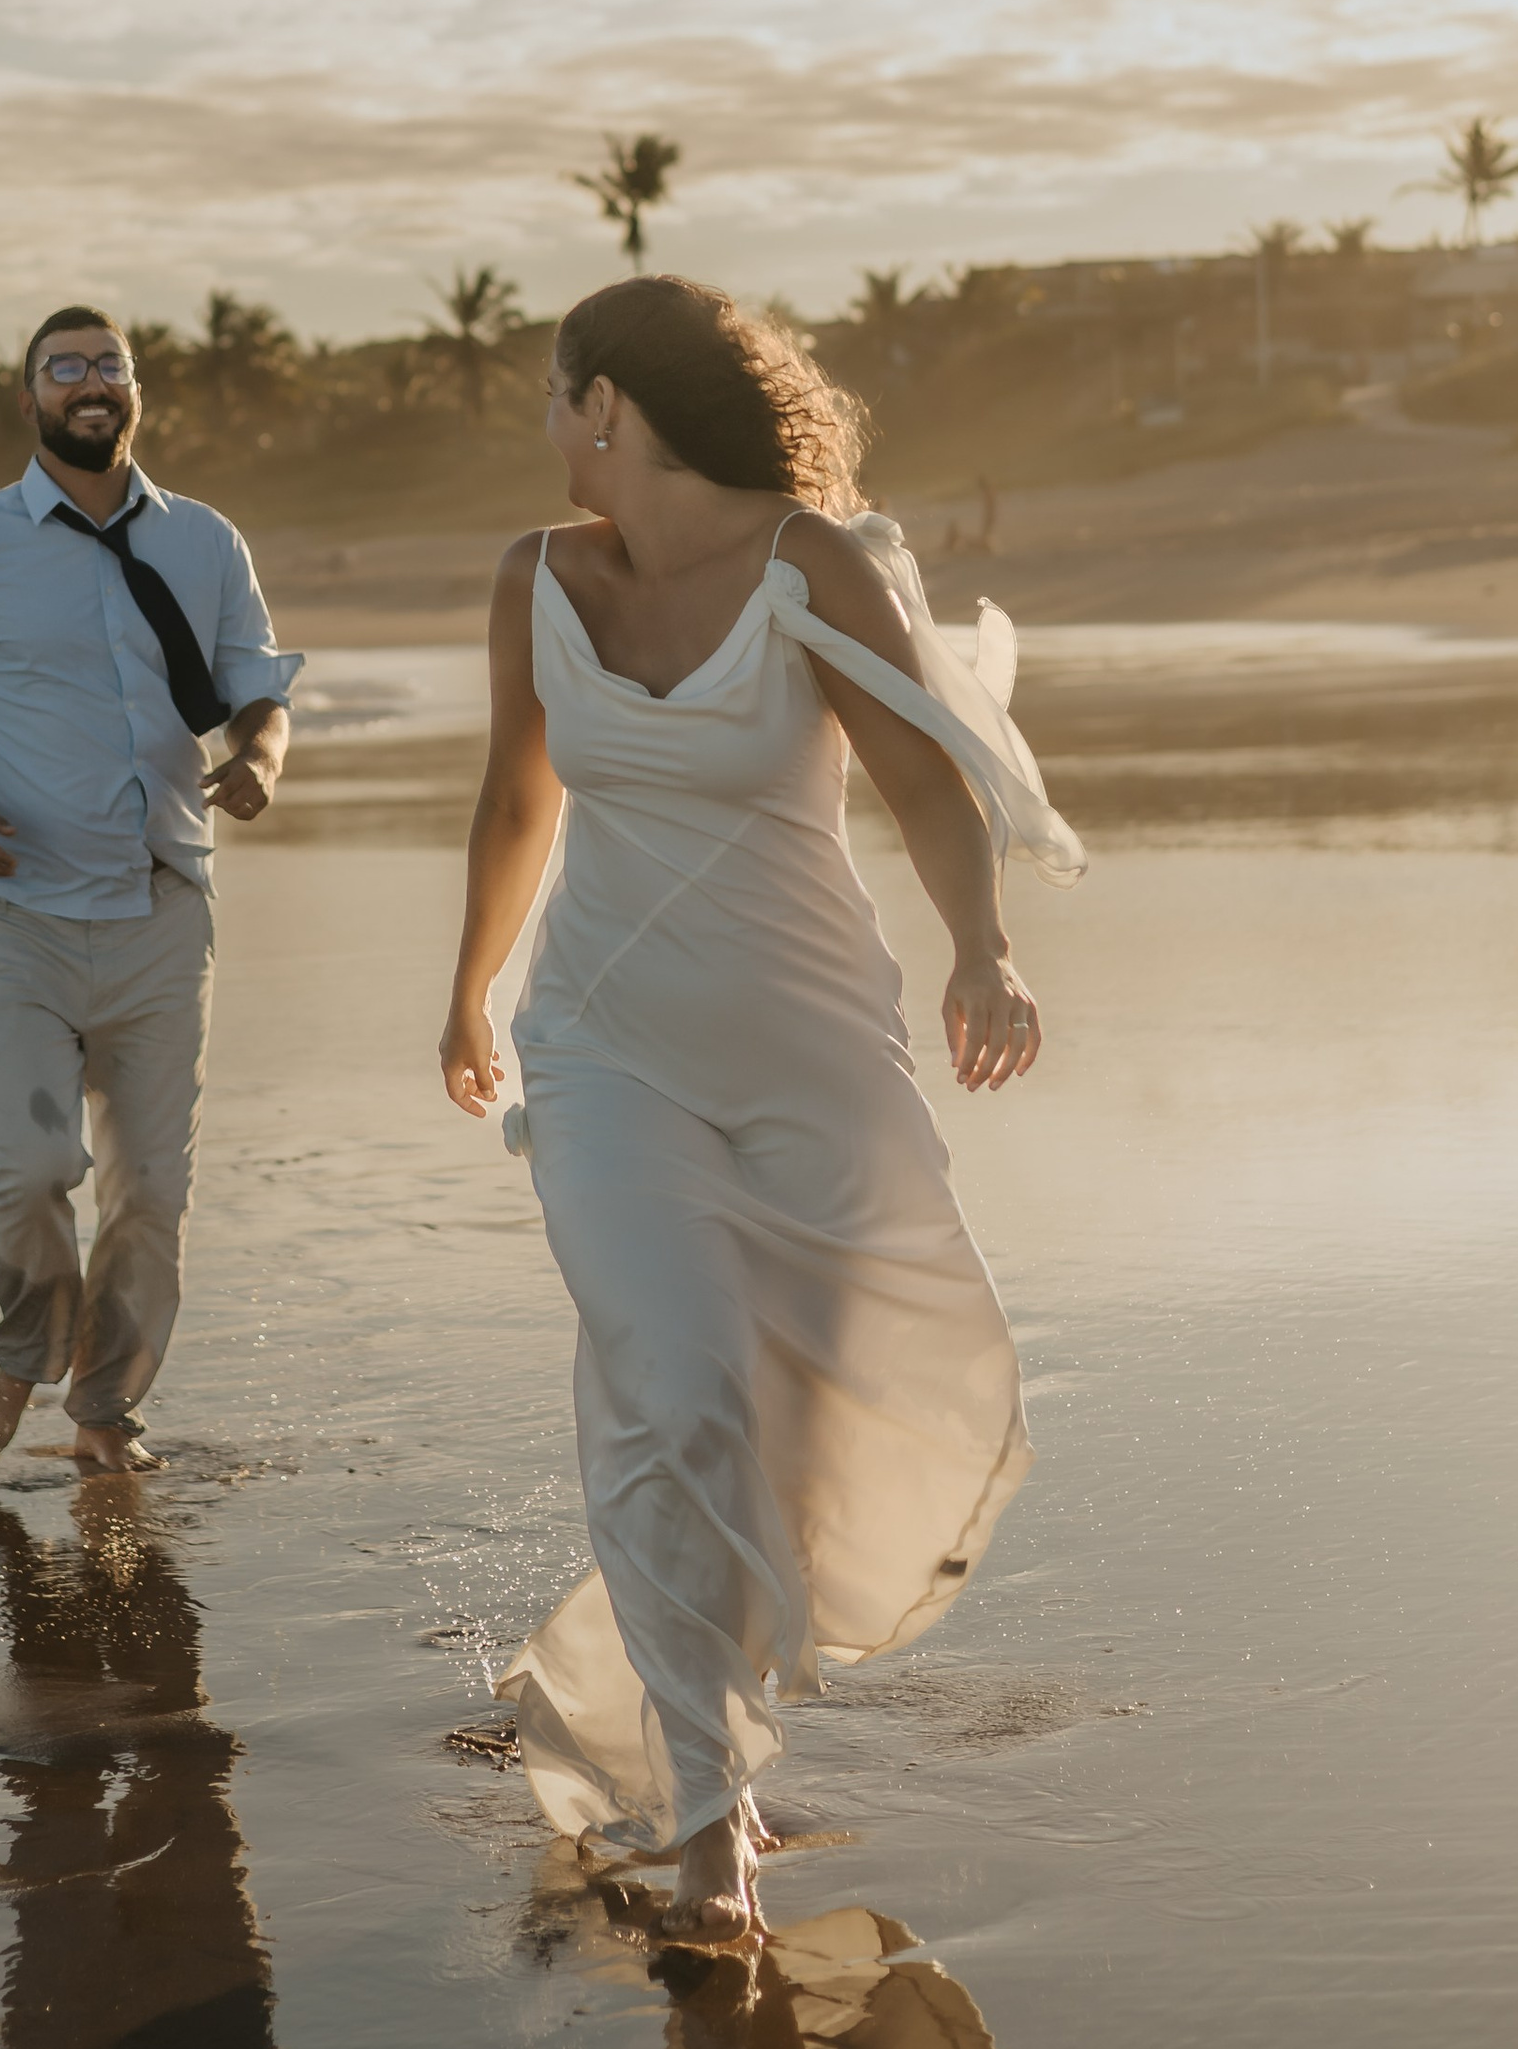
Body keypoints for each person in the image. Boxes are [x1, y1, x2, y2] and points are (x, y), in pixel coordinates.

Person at [438, 277, 1084, 1947]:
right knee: (679, 1390)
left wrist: (984, 952)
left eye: (555, 396)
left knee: (806, 1417)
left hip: (803, 1051)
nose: (546, 429)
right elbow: (519, 791)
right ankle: (715, 1821)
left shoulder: (817, 565)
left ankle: (685, 1695)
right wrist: (471, 993)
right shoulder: (538, 577)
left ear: (609, 410)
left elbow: (925, 777)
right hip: (601, 1052)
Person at [0, 306, 301, 1475]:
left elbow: (259, 689)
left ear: (135, 389)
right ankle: (24, 1353)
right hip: (19, 917)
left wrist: (257, 761)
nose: (89, 383)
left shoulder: (205, 540)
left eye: (109, 365)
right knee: (35, 1168)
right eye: (65, 369)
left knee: (151, 1188)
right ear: (29, 398)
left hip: (162, 904)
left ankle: (104, 1411)